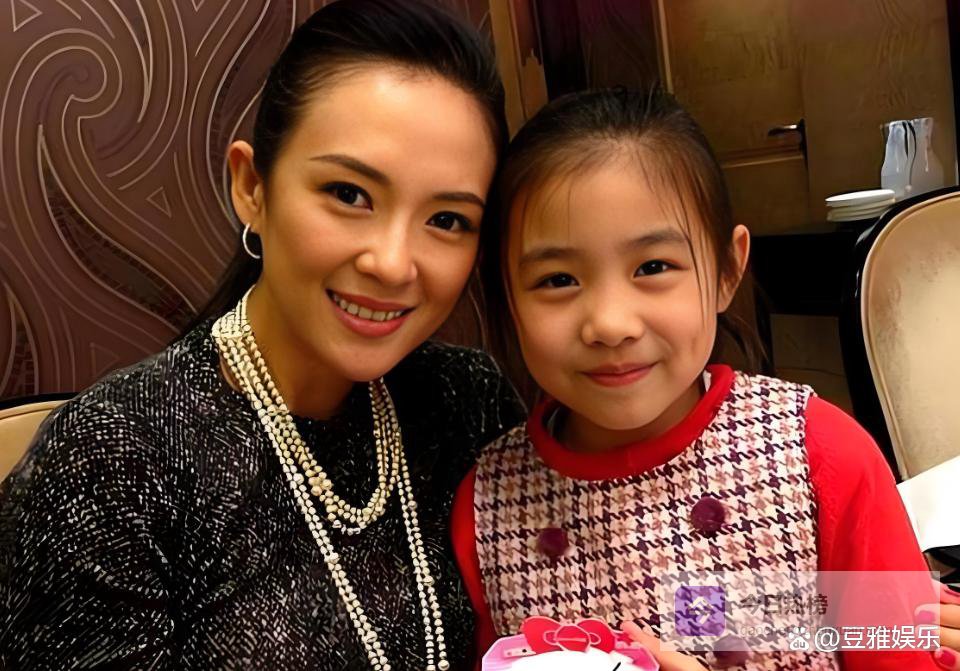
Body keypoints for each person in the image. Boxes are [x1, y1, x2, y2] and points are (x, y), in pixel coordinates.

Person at [0, 1, 525, 668]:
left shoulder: (467, 404)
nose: (393, 264)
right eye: (349, 194)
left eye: (447, 220)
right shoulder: (115, 461)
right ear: (252, 186)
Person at [451, 87, 953, 670]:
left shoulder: (819, 457)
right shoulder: (487, 504)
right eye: (558, 280)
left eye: (653, 267)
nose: (610, 324)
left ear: (725, 270)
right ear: (506, 297)